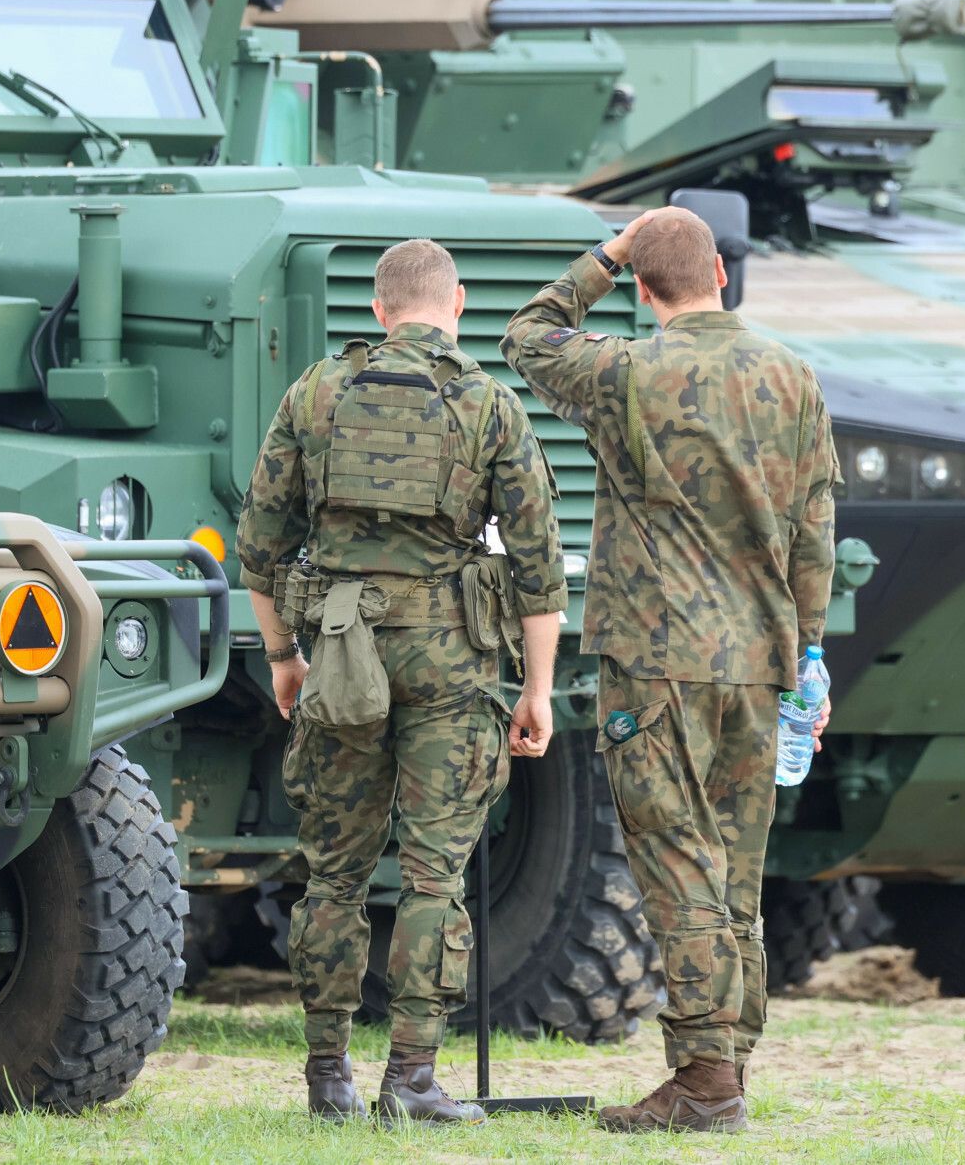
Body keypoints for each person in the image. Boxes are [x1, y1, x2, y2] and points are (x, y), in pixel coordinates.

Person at [502, 208, 837, 1134]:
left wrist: (604, 256)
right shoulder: (793, 377)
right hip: (762, 661)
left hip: (659, 662)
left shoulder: (626, 372)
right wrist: (808, 654)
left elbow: (527, 336)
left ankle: (704, 1082)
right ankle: (727, 1063)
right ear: (723, 277)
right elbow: (815, 537)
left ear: (644, 290)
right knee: (734, 869)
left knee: (677, 862)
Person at [237, 238, 566, 1125]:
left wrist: (283, 658)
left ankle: (327, 1078)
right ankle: (413, 1079)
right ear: (454, 305)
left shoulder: (316, 392)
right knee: (432, 877)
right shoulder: (489, 404)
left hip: (340, 648)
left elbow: (260, 552)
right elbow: (538, 564)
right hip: (452, 656)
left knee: (333, 878)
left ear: (380, 310)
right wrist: (537, 689)